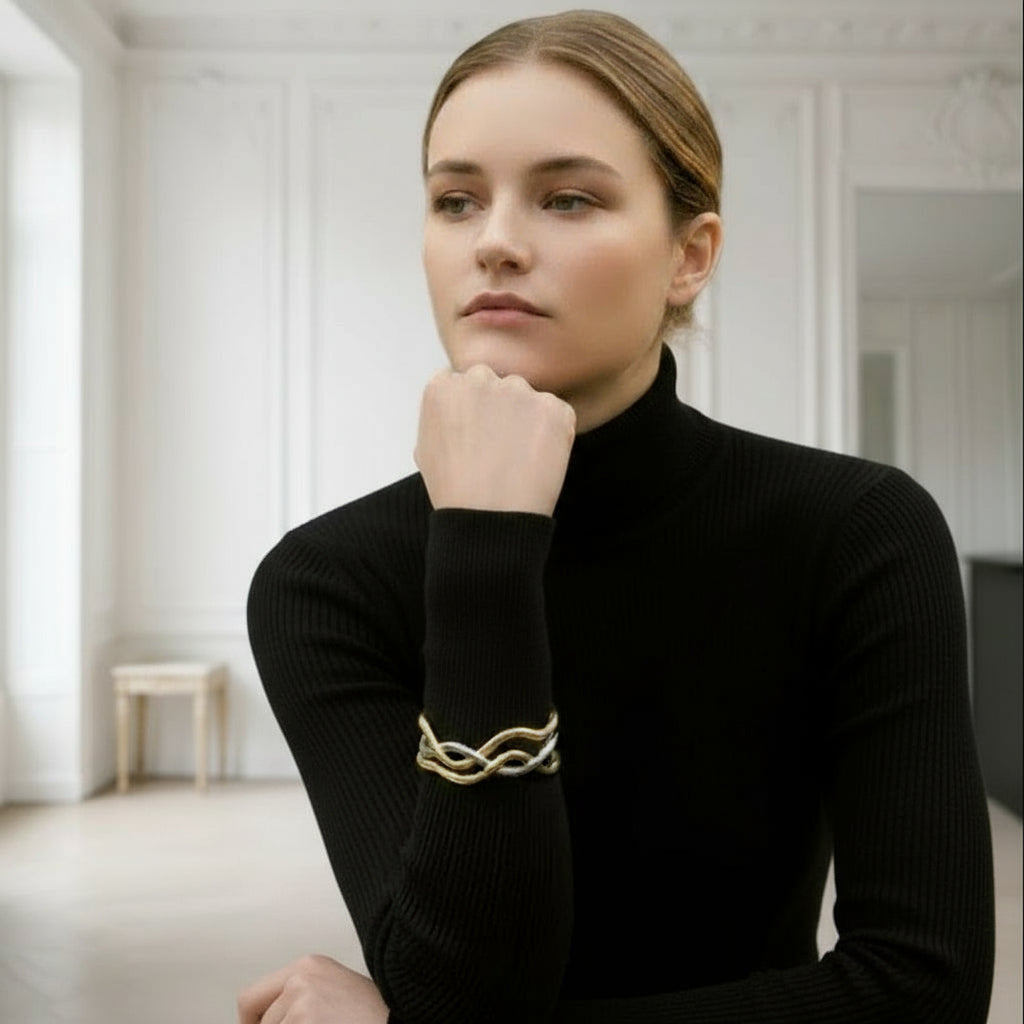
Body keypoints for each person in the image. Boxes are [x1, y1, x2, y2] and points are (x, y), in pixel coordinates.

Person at [239, 10, 995, 1023]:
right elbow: (462, 986)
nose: (496, 241)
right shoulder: (324, 583)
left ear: (689, 256)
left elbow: (921, 990)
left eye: (567, 197)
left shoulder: (857, 532)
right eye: (455, 198)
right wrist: (485, 547)